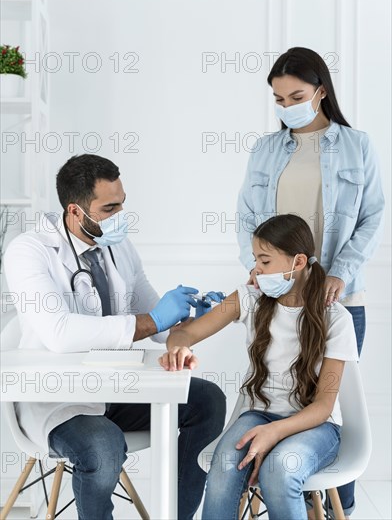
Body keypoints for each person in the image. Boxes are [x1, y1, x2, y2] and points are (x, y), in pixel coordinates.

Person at [3, 153, 226, 520]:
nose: (121, 214)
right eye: (110, 208)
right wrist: (155, 320)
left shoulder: (117, 245)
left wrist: (191, 315)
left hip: (116, 389)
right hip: (57, 398)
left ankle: (176, 515)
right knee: (102, 446)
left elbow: (155, 321)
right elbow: (60, 333)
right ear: (75, 211)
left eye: (122, 203)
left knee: (207, 400)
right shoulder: (29, 251)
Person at [236, 47, 384, 517]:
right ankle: (288, 496)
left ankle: (346, 505)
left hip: (339, 297)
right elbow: (245, 219)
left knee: (333, 409)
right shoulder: (265, 149)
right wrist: (257, 268)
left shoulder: (356, 145)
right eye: (278, 100)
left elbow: (373, 216)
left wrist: (341, 272)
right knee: (282, 398)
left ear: (320, 91)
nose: (286, 108)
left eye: (296, 96)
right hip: (278, 299)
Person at [159, 214, 359, 520]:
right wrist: (178, 347)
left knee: (280, 470)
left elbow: (324, 405)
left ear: (299, 261)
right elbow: (187, 332)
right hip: (257, 414)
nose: (256, 271)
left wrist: (274, 431)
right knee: (224, 467)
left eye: (264, 261)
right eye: (255, 260)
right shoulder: (248, 297)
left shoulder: (337, 319)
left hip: (317, 426)